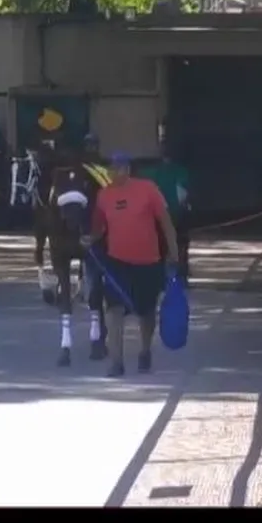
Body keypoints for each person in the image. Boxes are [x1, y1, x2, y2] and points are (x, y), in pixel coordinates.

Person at [83, 152, 180, 377]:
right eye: (111, 168)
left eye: (118, 168)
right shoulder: (104, 196)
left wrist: (174, 252)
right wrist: (90, 238)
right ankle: (116, 362)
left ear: (127, 169)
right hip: (117, 262)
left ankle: (145, 351)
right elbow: (99, 228)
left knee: (146, 312)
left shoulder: (148, 189)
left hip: (148, 262)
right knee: (113, 310)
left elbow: (165, 222)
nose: (113, 172)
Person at [139, 141, 191, 282]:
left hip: (158, 216)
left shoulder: (149, 173)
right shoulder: (181, 172)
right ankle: (180, 276)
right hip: (176, 215)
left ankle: (159, 277)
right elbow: (183, 196)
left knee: (159, 248)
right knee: (180, 246)